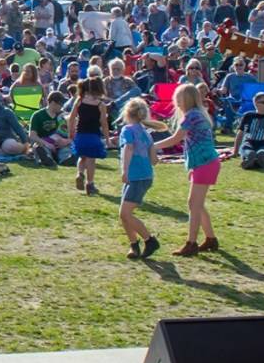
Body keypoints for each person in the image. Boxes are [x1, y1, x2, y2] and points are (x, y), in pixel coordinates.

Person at [154, 81, 220, 256]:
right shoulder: (199, 113)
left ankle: (191, 243)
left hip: (204, 163)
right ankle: (211, 239)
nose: (176, 103)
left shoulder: (191, 116)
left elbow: (176, 139)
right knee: (197, 204)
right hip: (205, 162)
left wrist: (152, 146)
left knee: (194, 204)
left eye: (178, 99)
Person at [116, 97, 159, 260]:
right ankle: (134, 246)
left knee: (125, 214)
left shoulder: (128, 130)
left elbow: (128, 148)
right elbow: (154, 161)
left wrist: (125, 170)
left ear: (127, 113)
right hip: (145, 176)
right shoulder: (146, 134)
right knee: (124, 214)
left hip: (135, 177)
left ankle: (149, 240)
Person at [70, 75, 108, 196]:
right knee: (91, 160)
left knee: (82, 157)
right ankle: (90, 184)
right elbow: (104, 123)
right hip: (93, 135)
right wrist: (107, 138)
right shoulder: (100, 105)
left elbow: (71, 118)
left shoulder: (79, 101)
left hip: (80, 134)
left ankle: (80, 173)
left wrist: (71, 133)